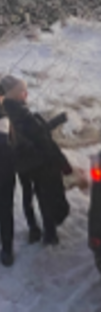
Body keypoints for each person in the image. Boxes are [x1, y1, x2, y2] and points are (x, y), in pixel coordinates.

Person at [1, 76, 72, 246]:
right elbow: (40, 137)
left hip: (22, 163)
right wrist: (61, 162)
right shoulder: (19, 113)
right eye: (23, 91)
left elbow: (36, 131)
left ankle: (36, 229)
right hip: (34, 162)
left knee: (31, 195)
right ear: (16, 94)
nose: (26, 94)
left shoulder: (13, 110)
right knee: (42, 196)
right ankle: (46, 233)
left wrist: (57, 120)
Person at [0, 86, 15, 266]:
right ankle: (7, 250)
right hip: (6, 169)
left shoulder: (6, 115)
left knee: (4, 210)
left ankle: (7, 249)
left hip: (5, 171)